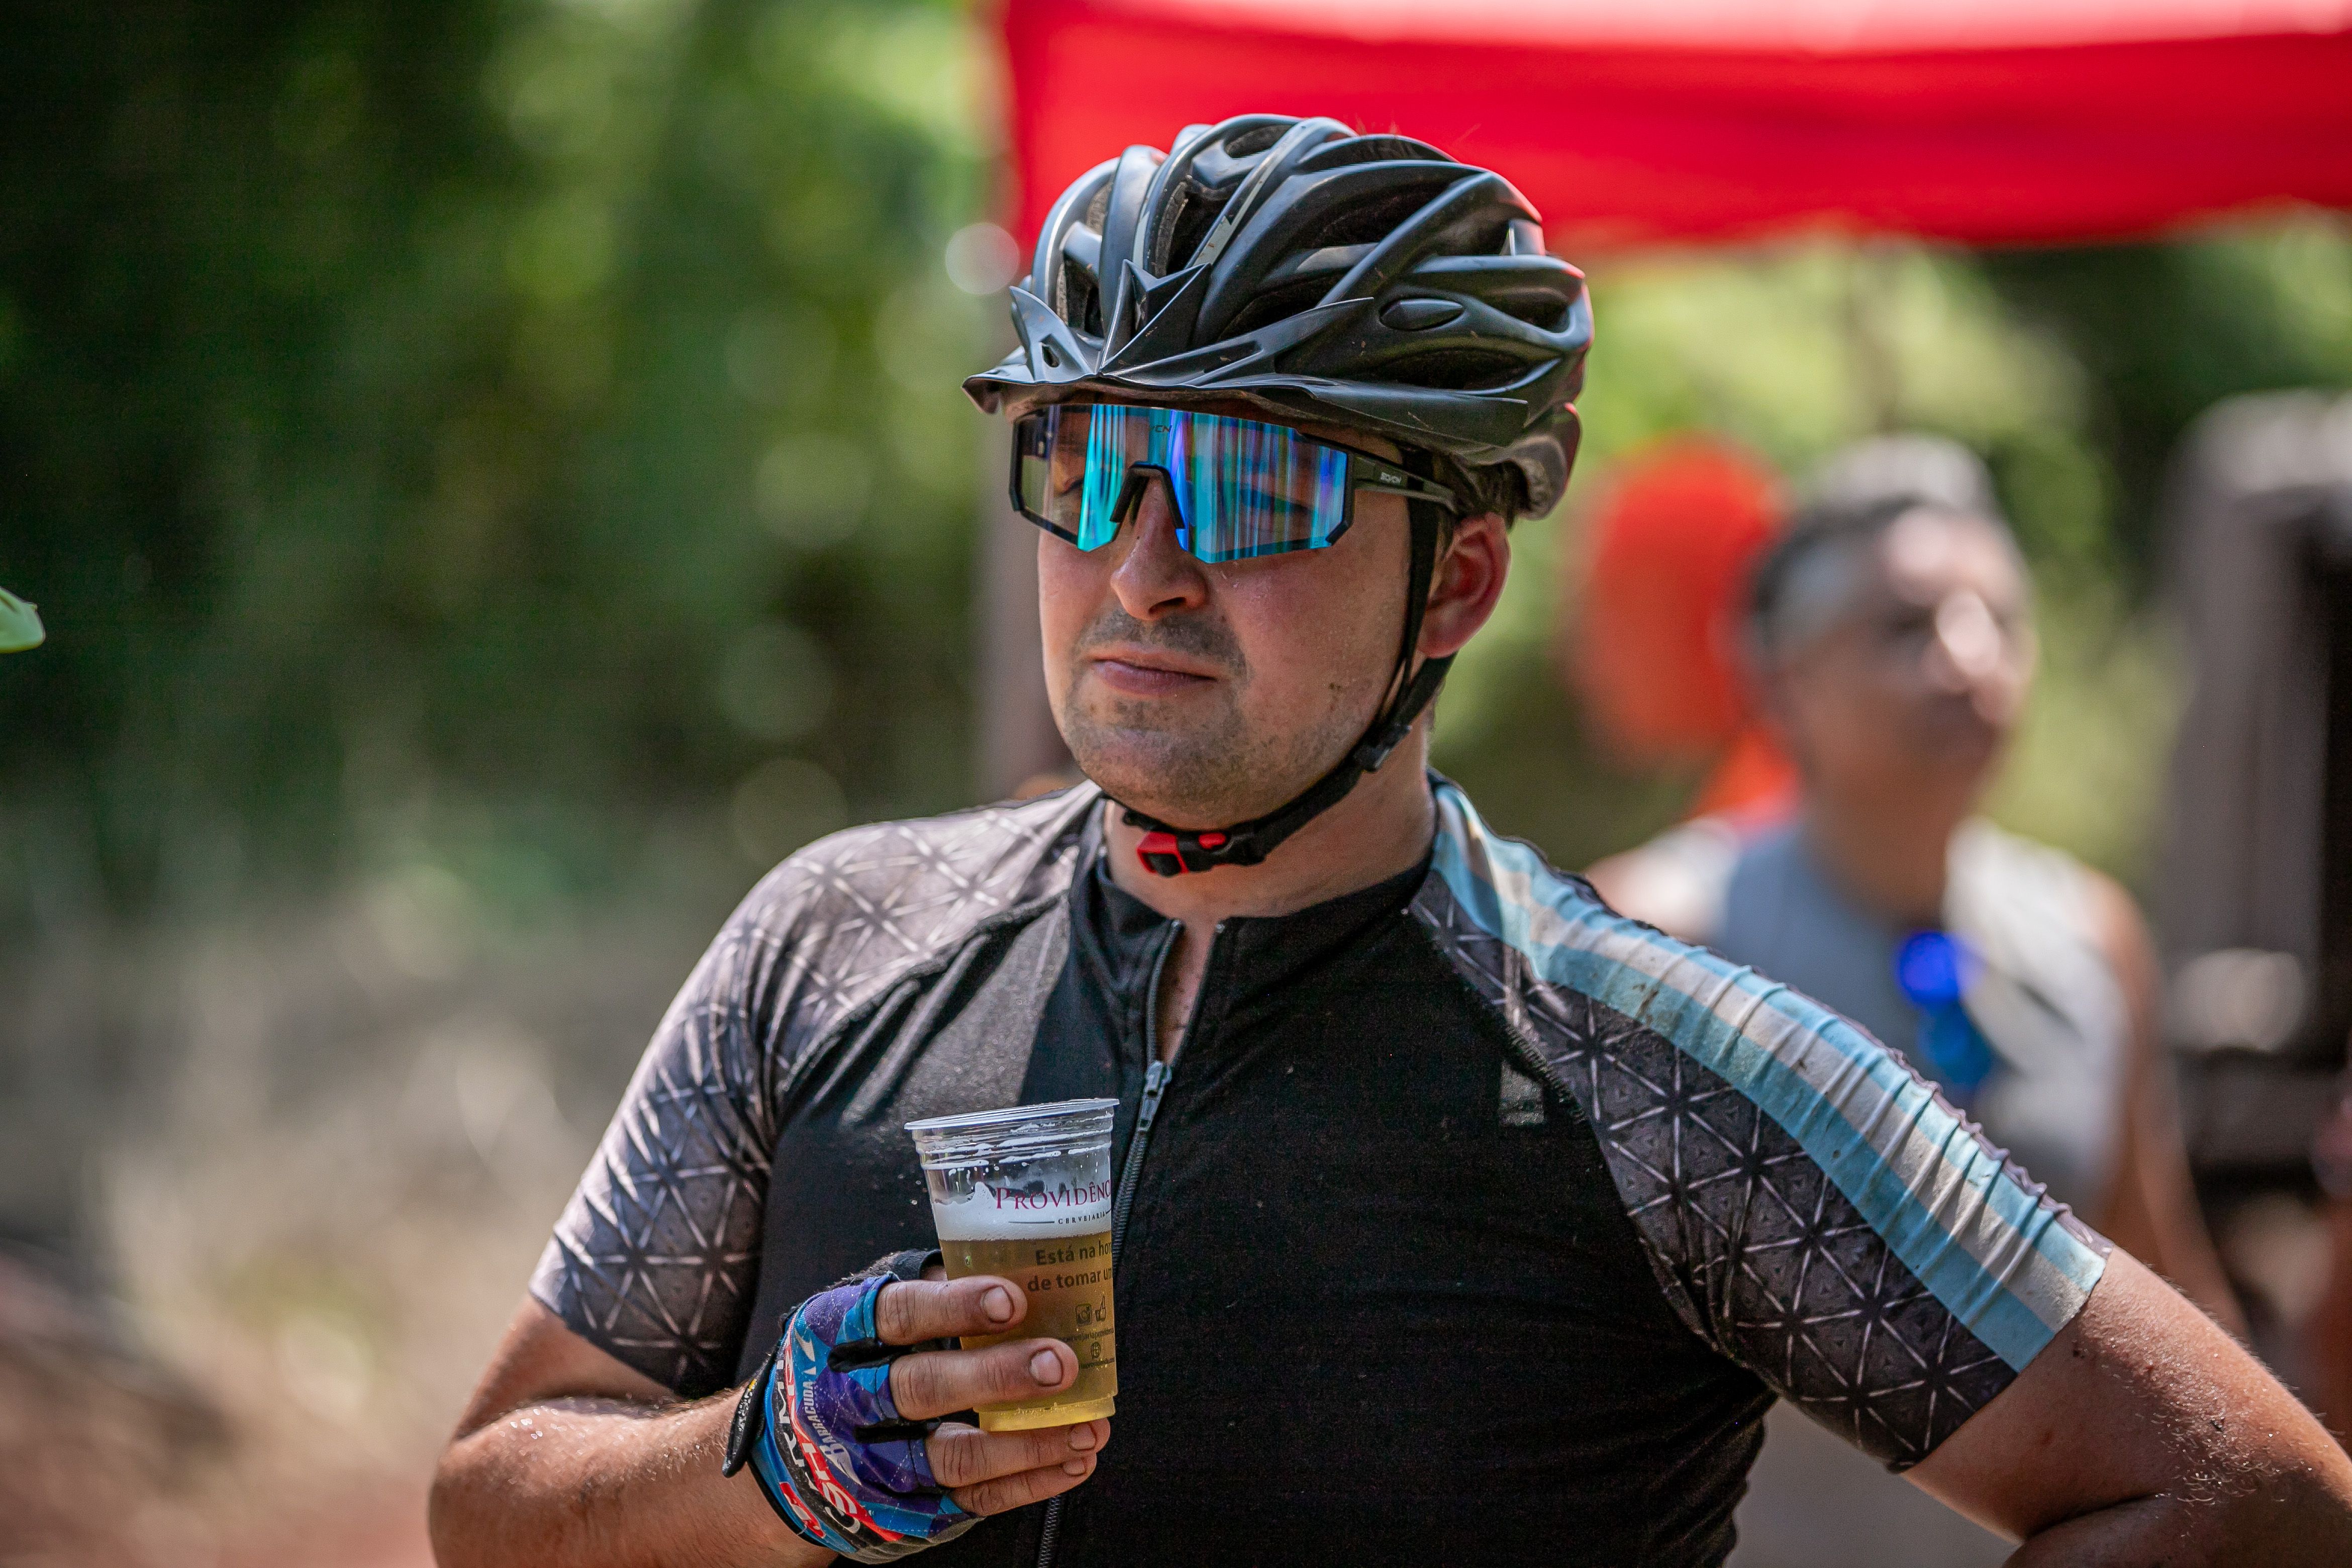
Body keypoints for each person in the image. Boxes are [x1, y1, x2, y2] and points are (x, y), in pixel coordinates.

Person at [430, 116, 2352, 1567]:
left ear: (1459, 582)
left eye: (1254, 482)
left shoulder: (1651, 1071)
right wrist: (770, 1463)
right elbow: (489, 1503)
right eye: (1090, 466)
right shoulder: (835, 939)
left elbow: (2253, 1494)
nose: (1144, 568)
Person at [1587, 436, 2246, 1565]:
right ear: (1781, 681)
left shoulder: (2091, 939)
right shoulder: (1660, 948)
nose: (1969, 658)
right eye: (1905, 628)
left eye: (2000, 618)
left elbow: (2170, 1297)